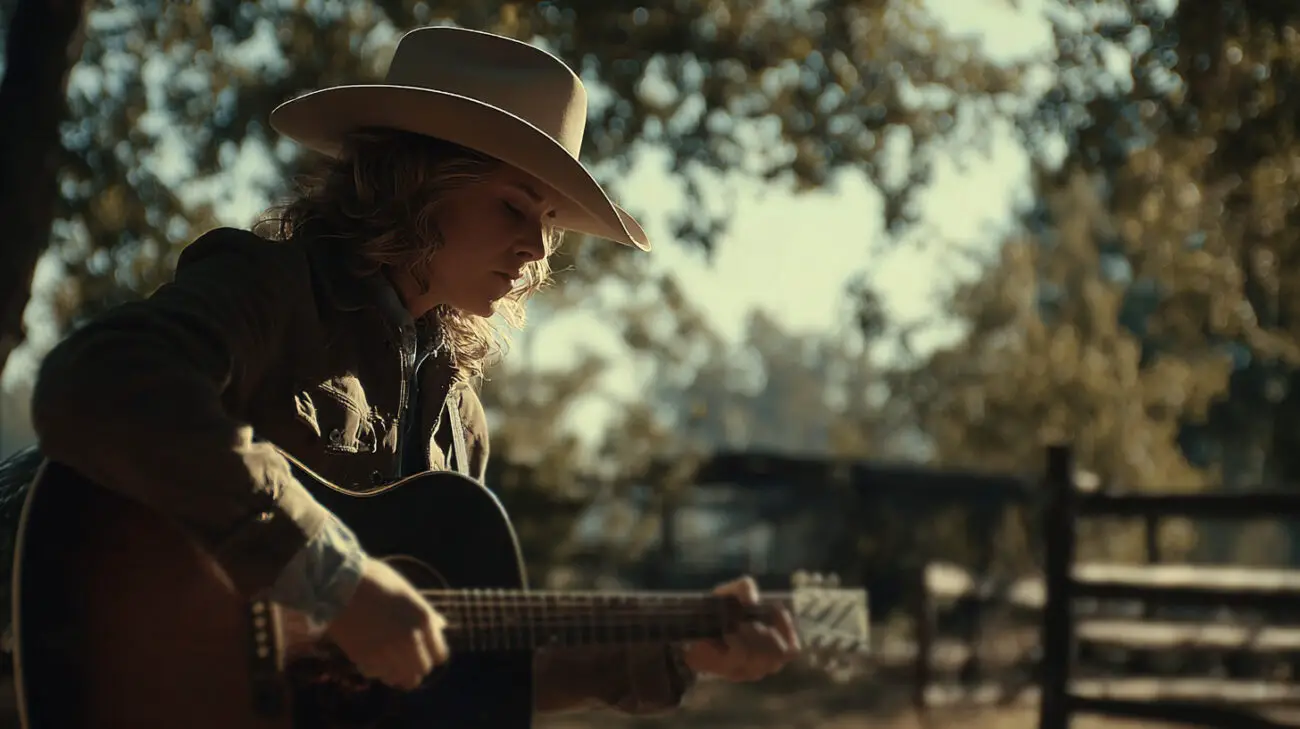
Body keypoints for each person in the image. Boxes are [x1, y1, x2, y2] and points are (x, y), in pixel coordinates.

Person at [26, 25, 800, 715]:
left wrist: (681, 648)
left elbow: (466, 678)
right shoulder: (272, 286)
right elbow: (99, 380)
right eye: (513, 207)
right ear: (413, 179)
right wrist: (330, 576)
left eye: (549, 224)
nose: (537, 248)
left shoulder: (461, 420)